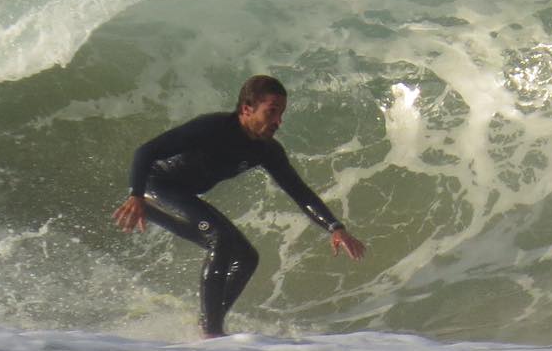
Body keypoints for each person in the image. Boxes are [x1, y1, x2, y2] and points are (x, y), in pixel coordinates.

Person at [113, 74, 365, 337]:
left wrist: (335, 227)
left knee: (246, 257)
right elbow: (145, 152)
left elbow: (299, 191)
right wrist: (136, 196)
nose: (278, 121)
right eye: (272, 112)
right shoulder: (212, 127)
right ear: (247, 109)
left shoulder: (266, 150)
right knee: (220, 239)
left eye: (281, 114)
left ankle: (209, 321)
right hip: (158, 186)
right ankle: (211, 332)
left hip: (184, 194)